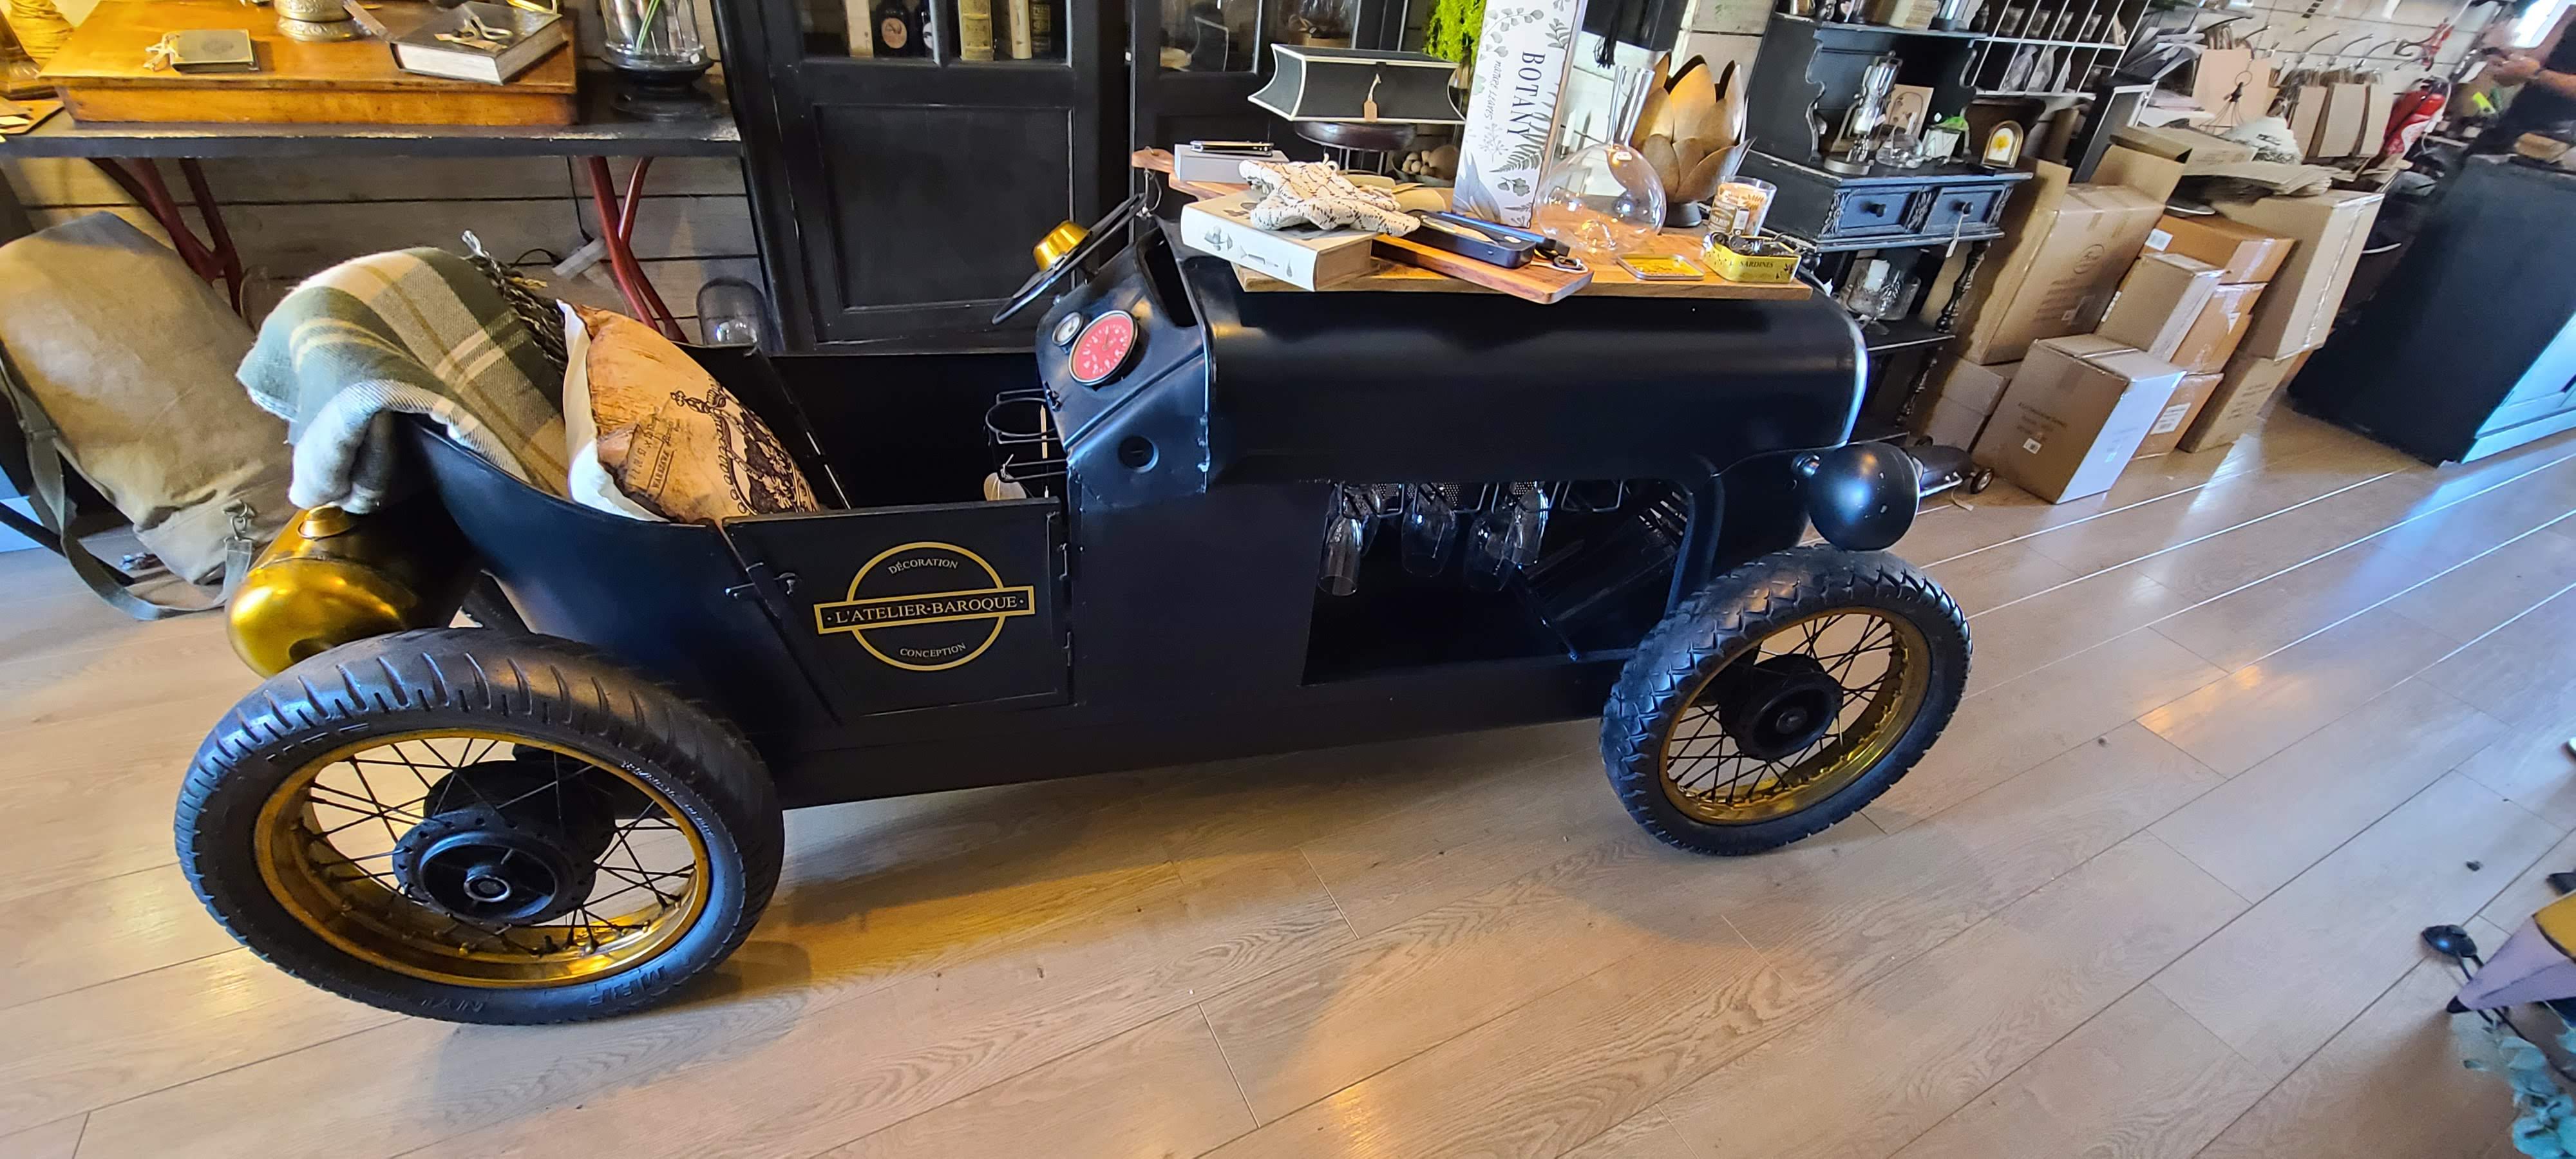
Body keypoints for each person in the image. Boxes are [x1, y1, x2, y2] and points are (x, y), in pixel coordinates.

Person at [2480, 3, 2576, 151]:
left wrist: (2536, 74)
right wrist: (2506, 56)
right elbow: (2541, 57)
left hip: (2557, 142)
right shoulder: (2573, 12)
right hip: (2514, 125)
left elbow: (2535, 71)